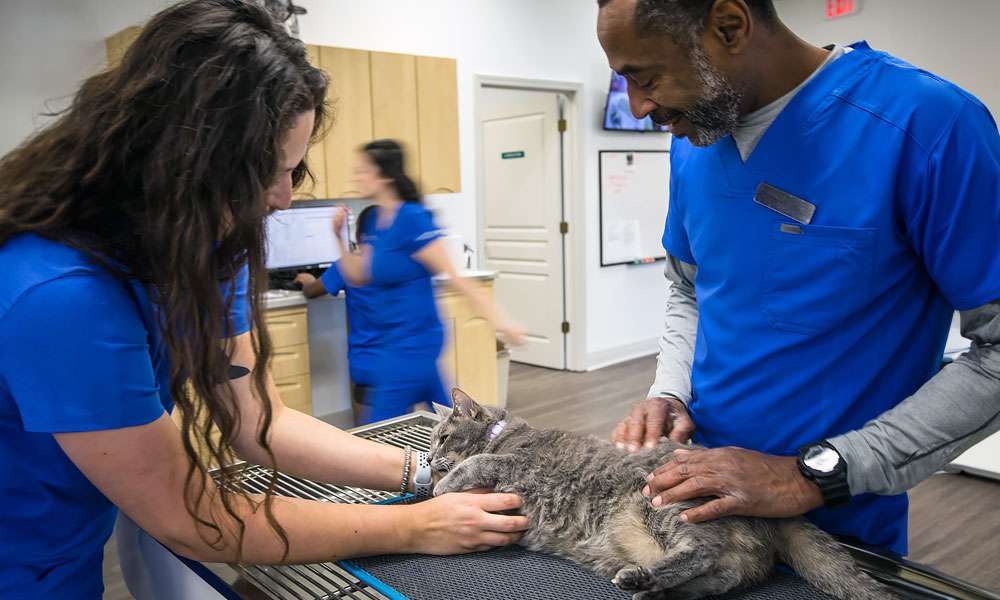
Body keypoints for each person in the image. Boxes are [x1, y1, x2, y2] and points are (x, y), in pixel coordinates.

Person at [0, 2, 527, 597]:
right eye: (263, 174)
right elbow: (186, 515)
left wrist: (429, 472)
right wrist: (413, 524)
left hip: (68, 543)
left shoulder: (201, 248)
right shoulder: (59, 295)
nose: (279, 200)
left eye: (293, 173)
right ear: (179, 158)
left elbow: (259, 420)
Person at [597, 0, 1000, 557]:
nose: (640, 107)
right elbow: (691, 289)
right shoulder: (694, 144)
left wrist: (808, 474)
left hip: (841, 524)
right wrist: (671, 390)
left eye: (647, 78)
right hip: (696, 503)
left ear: (730, 26)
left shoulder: (927, 124)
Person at [333, 139, 525, 424]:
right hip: (393, 343)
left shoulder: (412, 218)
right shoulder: (374, 221)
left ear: (385, 175)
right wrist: (338, 235)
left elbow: (456, 278)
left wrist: (501, 321)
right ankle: (481, 456)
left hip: (413, 344)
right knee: (456, 423)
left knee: (381, 431)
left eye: (363, 171)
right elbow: (358, 275)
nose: (356, 177)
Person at [295, 206, 379, 418]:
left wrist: (308, 280)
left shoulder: (348, 265)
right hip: (404, 361)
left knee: (371, 434)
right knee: (406, 429)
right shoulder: (403, 264)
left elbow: (312, 292)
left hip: (368, 363)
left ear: (359, 235)